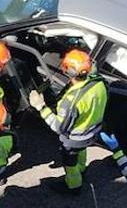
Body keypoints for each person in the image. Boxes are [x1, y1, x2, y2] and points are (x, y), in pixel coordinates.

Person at [29, 48, 108, 195]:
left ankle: (73, 186)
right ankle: (82, 171)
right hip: (92, 132)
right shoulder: (100, 83)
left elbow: (59, 127)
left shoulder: (70, 102)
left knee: (69, 162)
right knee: (82, 151)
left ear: (68, 71)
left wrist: (41, 107)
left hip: (74, 138)